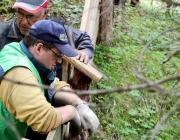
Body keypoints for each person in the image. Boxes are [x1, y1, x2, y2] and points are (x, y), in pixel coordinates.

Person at [0, 19, 99, 140]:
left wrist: (79, 104)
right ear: (39, 48)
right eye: (57, 55)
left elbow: (52, 84)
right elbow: (43, 120)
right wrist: (72, 112)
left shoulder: (18, 51)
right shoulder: (20, 74)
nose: (59, 61)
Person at [0, 0, 94, 79]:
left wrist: (85, 52)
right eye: (20, 14)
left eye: (31, 16)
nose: (24, 22)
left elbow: (82, 37)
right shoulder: (2, 32)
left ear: (45, 14)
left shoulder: (54, 31)